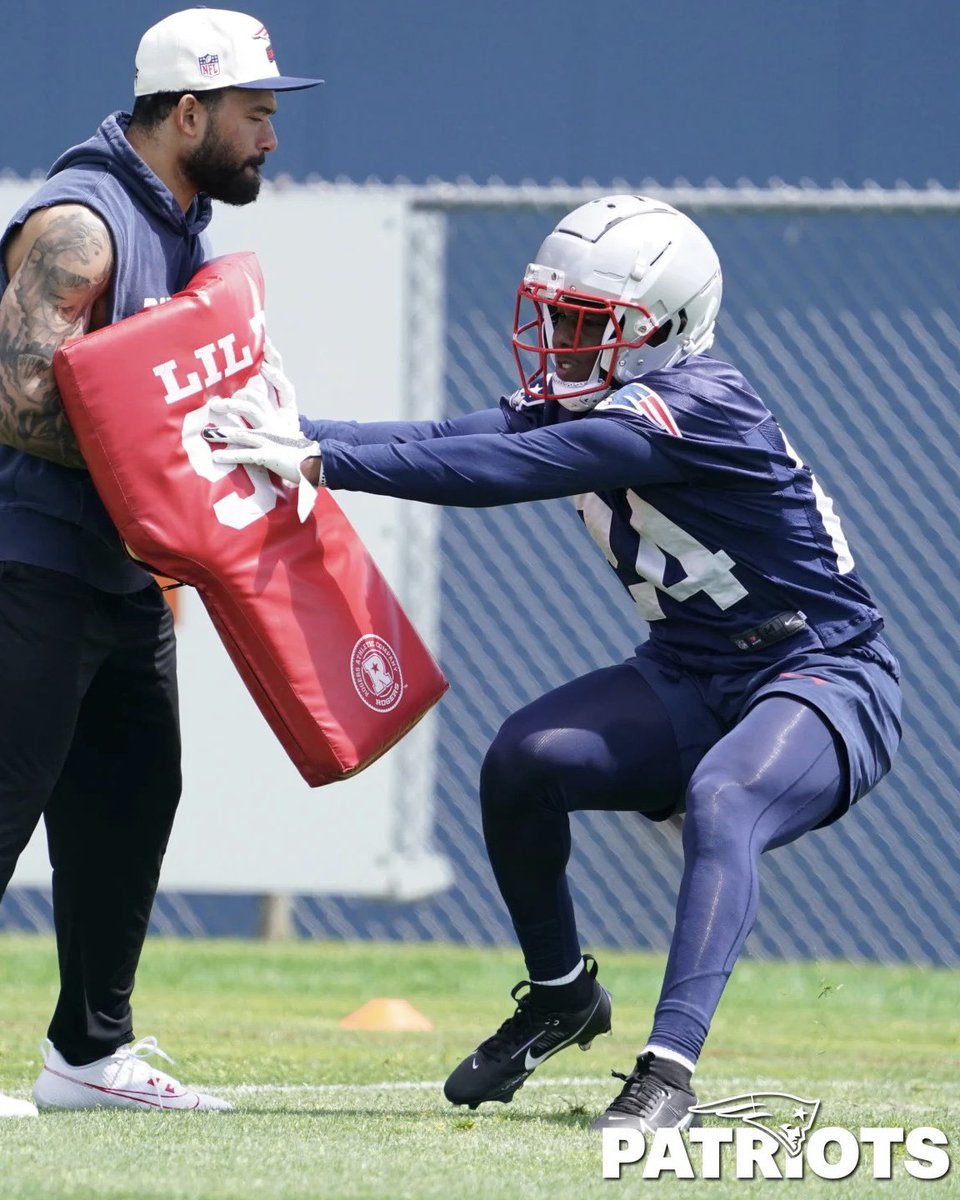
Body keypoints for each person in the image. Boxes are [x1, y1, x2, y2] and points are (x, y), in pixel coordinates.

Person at [207, 194, 902, 1132]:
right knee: (521, 762)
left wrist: (323, 460)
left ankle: (668, 1070)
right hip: (694, 669)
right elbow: (454, 438)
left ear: (663, 330)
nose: (558, 340)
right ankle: (562, 995)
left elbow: (498, 474)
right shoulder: (608, 398)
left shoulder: (691, 407)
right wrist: (299, 434)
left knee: (727, 797)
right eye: (554, 314)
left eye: (585, 324)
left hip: (822, 673)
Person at [0, 9, 320, 1117]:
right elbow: (17, 402)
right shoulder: (83, 220)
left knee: (134, 796)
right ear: (189, 112)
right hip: (26, 558)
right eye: (256, 113)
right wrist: (179, 443)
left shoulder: (179, 221)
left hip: (119, 572)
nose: (271, 137)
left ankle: (88, 1056)